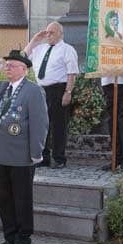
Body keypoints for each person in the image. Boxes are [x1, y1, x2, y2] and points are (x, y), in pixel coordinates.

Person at [0, 50, 49, 244]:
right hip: (1, 153)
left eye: (12, 65)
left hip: (22, 154)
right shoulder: (0, 87)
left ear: (23, 69)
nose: (8, 68)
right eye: (6, 65)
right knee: (4, 198)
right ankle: (9, 236)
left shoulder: (33, 91)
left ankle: (23, 238)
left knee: (21, 199)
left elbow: (40, 123)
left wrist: (36, 151)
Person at [25, 22, 79, 169]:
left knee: (58, 125)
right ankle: (44, 157)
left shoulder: (67, 50)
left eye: (52, 32)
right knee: (42, 124)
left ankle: (59, 158)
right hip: (41, 89)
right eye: (47, 32)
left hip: (58, 89)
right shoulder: (40, 49)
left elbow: (72, 73)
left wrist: (68, 92)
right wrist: (34, 40)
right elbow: (23, 57)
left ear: (61, 33)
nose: (48, 35)